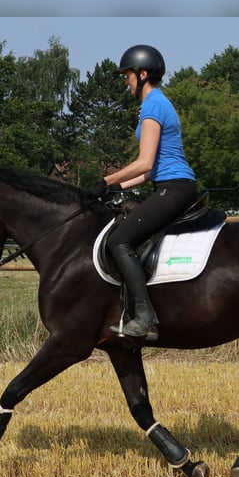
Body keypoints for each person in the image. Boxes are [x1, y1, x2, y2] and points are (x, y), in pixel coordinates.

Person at [88, 44, 198, 341]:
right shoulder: (159, 103)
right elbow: (150, 171)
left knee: (120, 240)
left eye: (128, 76)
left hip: (174, 188)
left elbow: (143, 162)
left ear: (143, 73)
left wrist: (105, 180)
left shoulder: (153, 106)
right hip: (170, 184)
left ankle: (145, 316)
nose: (126, 83)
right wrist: (116, 188)